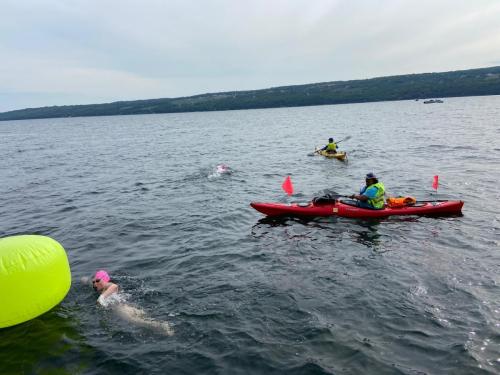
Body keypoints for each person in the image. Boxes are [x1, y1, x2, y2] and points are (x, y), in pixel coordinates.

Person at [84, 270, 174, 336]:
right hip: (127, 305)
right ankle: (161, 325)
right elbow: (87, 281)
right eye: (94, 281)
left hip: (121, 308)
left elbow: (114, 286)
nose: (95, 283)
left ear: (105, 279)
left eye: (98, 280)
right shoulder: (98, 287)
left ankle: (162, 326)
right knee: (144, 317)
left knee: (136, 321)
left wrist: (102, 298)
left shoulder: (109, 286)